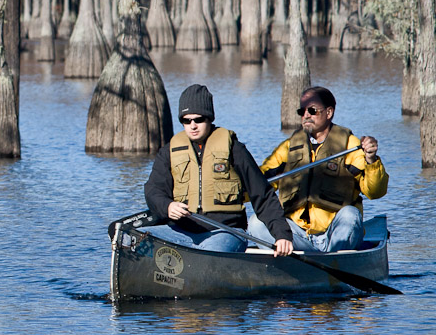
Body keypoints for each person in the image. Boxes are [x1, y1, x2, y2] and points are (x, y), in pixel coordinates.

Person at [144, 84, 293, 254]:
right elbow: (153, 190)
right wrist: (167, 206)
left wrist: (282, 235)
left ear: (209, 118)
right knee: (135, 239)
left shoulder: (234, 149)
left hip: (225, 233)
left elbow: (263, 195)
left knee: (206, 256)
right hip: (181, 232)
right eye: (186, 120)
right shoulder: (168, 152)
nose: (192, 126)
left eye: (198, 120)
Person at [248, 86, 388, 253]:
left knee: (350, 214)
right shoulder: (288, 148)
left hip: (334, 236)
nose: (306, 115)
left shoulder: (350, 146)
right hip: (296, 237)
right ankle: (301, 258)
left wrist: (371, 160)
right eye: (302, 110)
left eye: (312, 110)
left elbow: (375, 192)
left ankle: (333, 259)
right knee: (256, 221)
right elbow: (258, 183)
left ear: (329, 113)